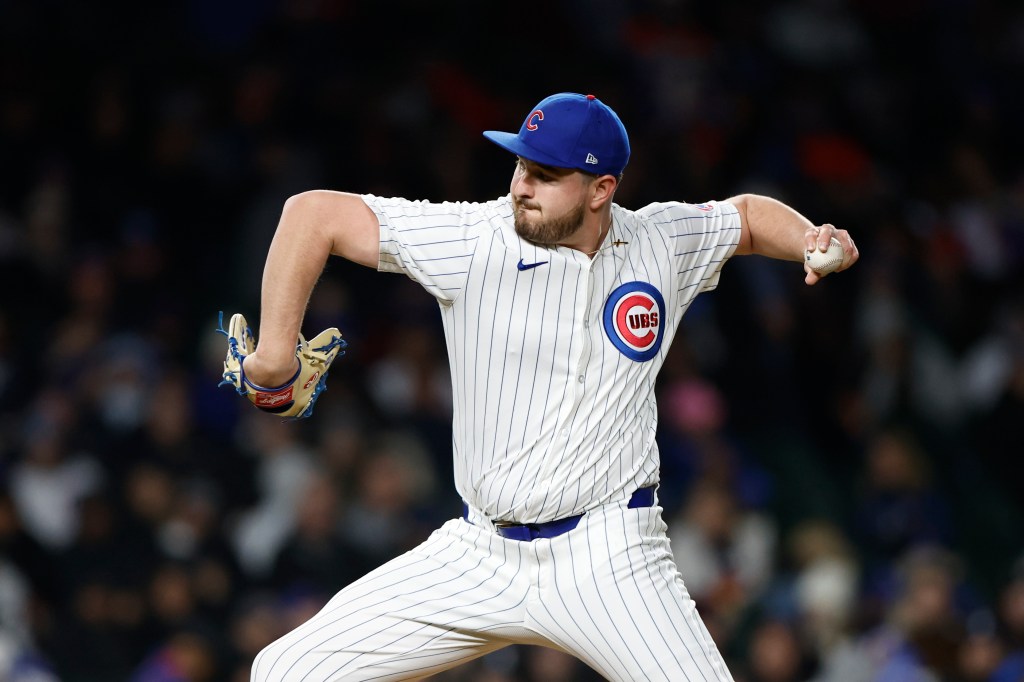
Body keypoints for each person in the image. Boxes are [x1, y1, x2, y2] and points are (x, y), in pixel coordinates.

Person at [240, 92, 859, 681]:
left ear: (602, 189)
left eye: (545, 174)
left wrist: (808, 237)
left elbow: (746, 218)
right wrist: (273, 355)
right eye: (520, 165)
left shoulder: (659, 242)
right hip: (478, 553)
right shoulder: (473, 240)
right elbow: (311, 213)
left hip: (610, 554)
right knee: (285, 670)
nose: (520, 185)